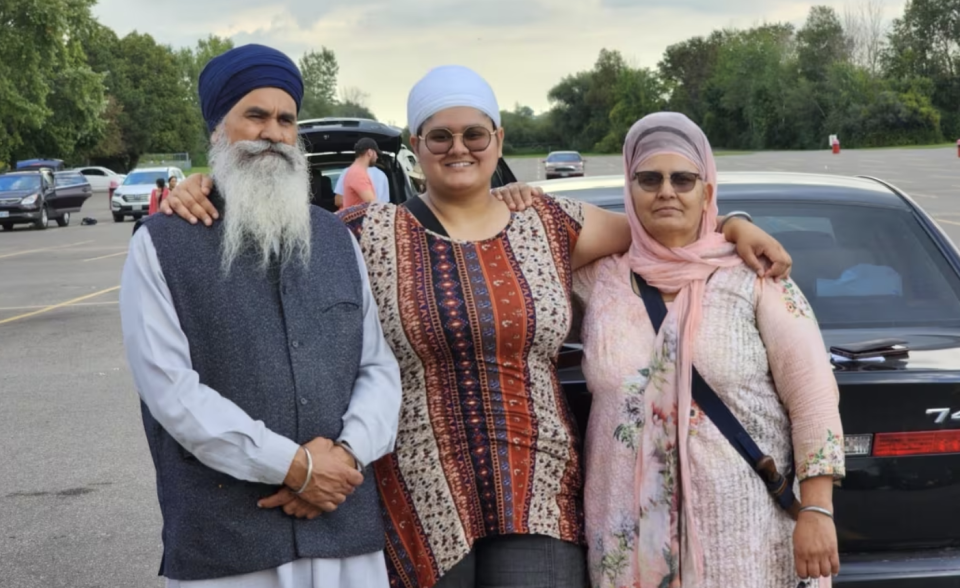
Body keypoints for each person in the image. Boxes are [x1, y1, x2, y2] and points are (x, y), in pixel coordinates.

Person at [163, 65, 792, 588]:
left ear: (497, 137)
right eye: (439, 137)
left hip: (539, 483)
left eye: (473, 133)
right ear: (416, 144)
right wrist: (198, 190)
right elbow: (263, 239)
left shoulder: (551, 224)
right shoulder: (366, 234)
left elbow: (666, 224)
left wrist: (734, 223)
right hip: (415, 488)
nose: (458, 148)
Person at [120, 43, 402, 588]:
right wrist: (295, 467)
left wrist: (345, 456)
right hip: (226, 550)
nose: (272, 132)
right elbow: (172, 393)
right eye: (255, 115)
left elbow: (377, 369)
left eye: (285, 119)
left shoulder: (336, 239)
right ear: (217, 130)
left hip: (344, 535)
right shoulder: (161, 246)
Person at [575, 112, 843, 588]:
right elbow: (515, 249)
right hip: (627, 536)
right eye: (648, 179)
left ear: (707, 188)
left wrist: (818, 509)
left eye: (683, 179)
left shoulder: (756, 278)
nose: (666, 192)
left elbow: (813, 398)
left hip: (746, 534)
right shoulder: (599, 281)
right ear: (629, 187)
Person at [334, 140, 390, 208]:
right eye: (376, 153)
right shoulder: (358, 173)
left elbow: (338, 201)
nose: (377, 157)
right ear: (370, 152)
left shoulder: (349, 171)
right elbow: (372, 203)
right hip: (363, 217)